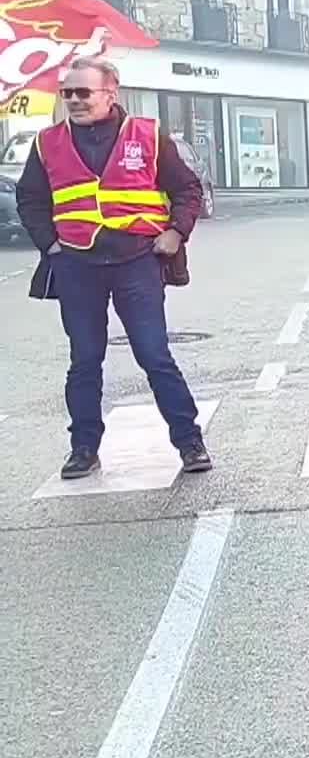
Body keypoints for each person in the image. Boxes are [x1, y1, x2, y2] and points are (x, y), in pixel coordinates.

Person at [18, 57, 211, 480]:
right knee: (84, 360)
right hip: (77, 265)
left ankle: (189, 440)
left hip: (136, 262)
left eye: (83, 92)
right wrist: (51, 247)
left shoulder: (147, 135)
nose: (73, 100)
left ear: (111, 92)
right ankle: (83, 448)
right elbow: (31, 200)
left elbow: (187, 190)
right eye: (67, 92)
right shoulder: (46, 142)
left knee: (154, 355)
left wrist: (176, 233)